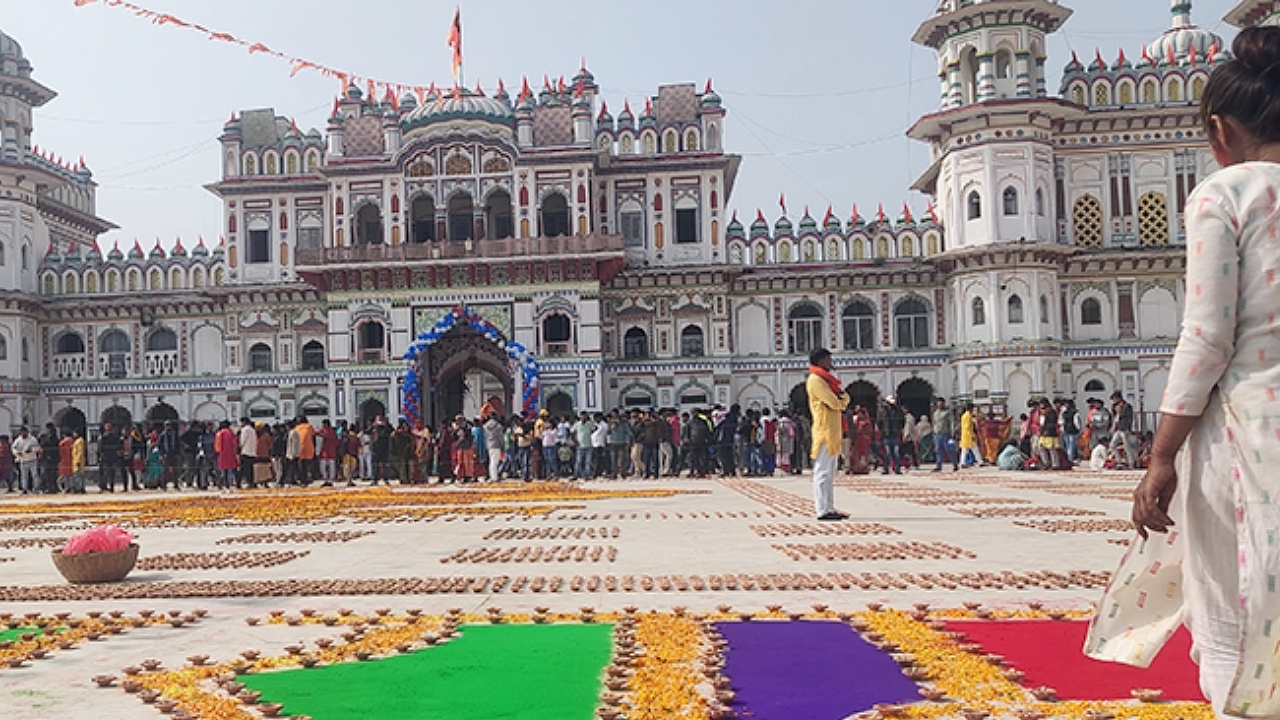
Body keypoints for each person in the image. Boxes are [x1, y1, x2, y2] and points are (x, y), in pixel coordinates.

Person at [1087, 29, 1280, 716]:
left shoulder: (1224, 194)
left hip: (1248, 446)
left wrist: (1161, 455)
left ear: (1219, 130)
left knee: (1234, 619)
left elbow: (1204, 340)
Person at [806, 348, 850, 521]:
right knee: (822, 472)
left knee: (830, 472)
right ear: (821, 360)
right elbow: (835, 402)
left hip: (832, 431)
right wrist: (842, 400)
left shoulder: (826, 381)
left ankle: (829, 507)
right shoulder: (815, 380)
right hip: (824, 430)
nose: (831, 363)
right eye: (829, 359)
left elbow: (842, 399)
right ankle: (822, 509)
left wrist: (842, 400)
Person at [1108, 391, 1138, 470]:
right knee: (1112, 445)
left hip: (1124, 429)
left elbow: (1129, 419)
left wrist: (1128, 429)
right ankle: (1119, 461)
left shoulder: (1127, 406)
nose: (1113, 401)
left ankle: (1131, 463)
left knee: (1127, 447)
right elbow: (1115, 417)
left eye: (1114, 399)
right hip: (1117, 429)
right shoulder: (1114, 407)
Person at [931, 399, 958, 472]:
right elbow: (934, 423)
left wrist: (952, 433)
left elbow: (951, 423)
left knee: (949, 450)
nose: (939, 405)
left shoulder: (947, 413)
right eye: (938, 404)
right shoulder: (935, 413)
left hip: (945, 434)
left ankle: (955, 464)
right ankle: (938, 466)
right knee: (938, 451)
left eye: (941, 404)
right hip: (937, 434)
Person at [879, 397, 905, 475]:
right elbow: (879, 422)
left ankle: (897, 468)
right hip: (886, 435)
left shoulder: (897, 411)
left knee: (896, 453)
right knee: (887, 453)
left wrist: (899, 428)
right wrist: (882, 430)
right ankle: (886, 468)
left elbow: (902, 421)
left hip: (895, 434)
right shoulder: (882, 411)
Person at [848, 406, 873, 475]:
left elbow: (869, 431)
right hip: (857, 440)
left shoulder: (866, 421)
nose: (859, 414)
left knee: (863, 455)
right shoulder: (856, 419)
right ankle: (856, 468)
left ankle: (863, 469)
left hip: (864, 440)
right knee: (856, 454)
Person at [958, 403, 978, 468]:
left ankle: (962, 463)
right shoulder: (968, 416)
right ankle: (980, 462)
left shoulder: (964, 415)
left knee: (965, 450)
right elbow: (968, 427)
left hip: (964, 434)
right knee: (973, 449)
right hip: (968, 435)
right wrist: (972, 435)